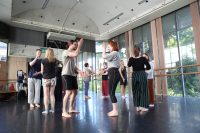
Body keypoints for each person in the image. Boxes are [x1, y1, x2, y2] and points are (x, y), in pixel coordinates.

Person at [61, 38, 84, 118]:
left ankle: (70, 108)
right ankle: (64, 111)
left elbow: (74, 67)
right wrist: (80, 45)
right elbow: (75, 54)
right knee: (68, 93)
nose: (76, 46)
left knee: (75, 92)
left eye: (76, 45)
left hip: (72, 75)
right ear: (70, 44)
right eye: (75, 44)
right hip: (66, 75)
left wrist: (80, 71)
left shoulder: (73, 56)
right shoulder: (65, 52)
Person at [127, 46, 151, 112]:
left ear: (133, 52)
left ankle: (137, 107)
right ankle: (142, 106)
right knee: (143, 90)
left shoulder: (131, 59)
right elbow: (149, 67)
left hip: (134, 75)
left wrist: (131, 58)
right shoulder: (143, 58)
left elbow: (128, 65)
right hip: (142, 74)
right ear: (139, 51)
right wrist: (143, 69)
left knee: (136, 90)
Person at [102, 40, 120, 117]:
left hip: (114, 73)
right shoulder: (114, 54)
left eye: (109, 46)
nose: (108, 48)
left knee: (111, 92)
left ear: (113, 46)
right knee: (111, 92)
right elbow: (109, 62)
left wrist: (103, 49)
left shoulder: (114, 53)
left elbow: (104, 56)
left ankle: (115, 111)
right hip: (113, 72)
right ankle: (114, 110)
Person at [41, 48, 57, 114]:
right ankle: (52, 109)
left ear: (46, 53)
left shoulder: (43, 61)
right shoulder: (54, 60)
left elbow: (42, 71)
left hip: (46, 79)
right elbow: (56, 68)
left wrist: (45, 74)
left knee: (46, 95)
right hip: (53, 78)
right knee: (52, 94)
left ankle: (46, 110)